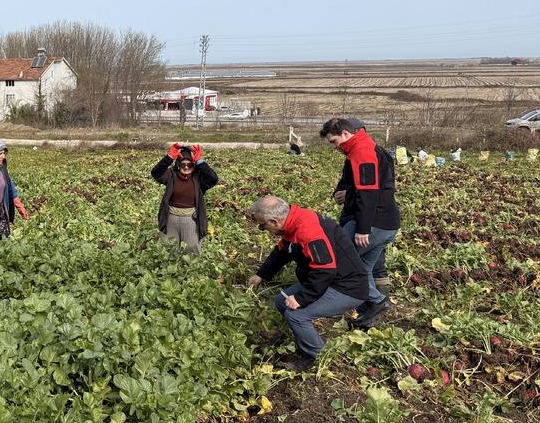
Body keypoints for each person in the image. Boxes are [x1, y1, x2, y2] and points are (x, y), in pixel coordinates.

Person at [246, 195, 369, 371]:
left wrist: (302, 299)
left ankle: (316, 357)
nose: (263, 229)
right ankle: (302, 336)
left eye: (262, 226)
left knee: (296, 315)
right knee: (281, 301)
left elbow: (326, 270)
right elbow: (282, 251)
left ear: (274, 221)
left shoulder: (308, 231)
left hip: (347, 287)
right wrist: (261, 274)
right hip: (329, 279)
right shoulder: (294, 220)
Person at [320, 118, 401, 326]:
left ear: (346, 134)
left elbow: (369, 192)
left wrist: (363, 229)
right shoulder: (366, 147)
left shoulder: (362, 150)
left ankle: (377, 302)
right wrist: (346, 194)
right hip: (386, 223)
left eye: (333, 141)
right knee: (363, 268)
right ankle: (370, 313)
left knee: (341, 261)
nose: (334, 146)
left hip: (374, 224)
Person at [150, 142, 219, 255]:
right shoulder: (171, 175)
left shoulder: (198, 178)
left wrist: (200, 162)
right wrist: (169, 157)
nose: (186, 167)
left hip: (190, 218)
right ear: (178, 165)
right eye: (183, 164)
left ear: (194, 165)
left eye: (190, 164)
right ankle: (172, 271)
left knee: (191, 249)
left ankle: (190, 271)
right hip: (171, 217)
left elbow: (213, 179)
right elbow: (155, 173)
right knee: (169, 249)